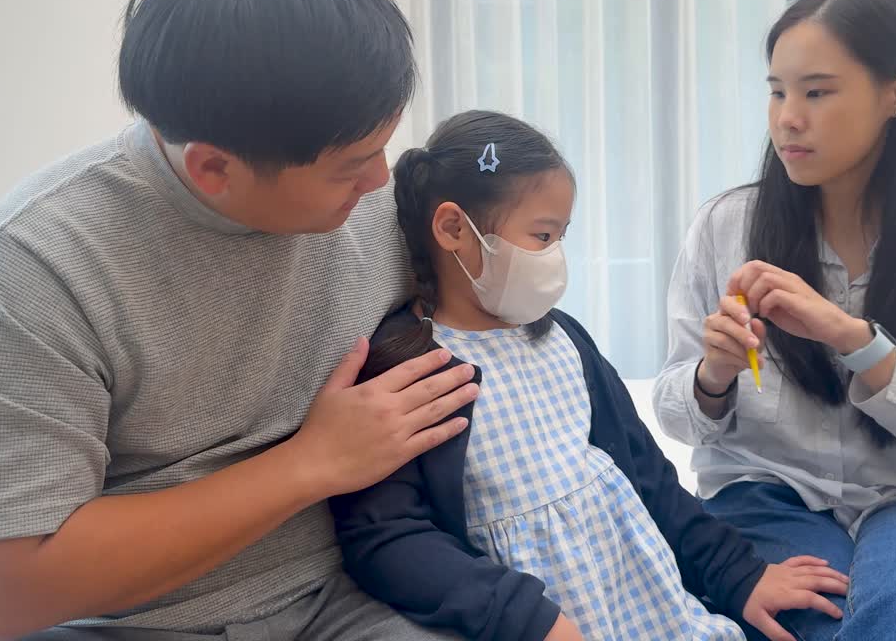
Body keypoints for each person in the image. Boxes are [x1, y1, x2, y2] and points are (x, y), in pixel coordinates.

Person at [0, 0, 478, 640]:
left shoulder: (373, 203)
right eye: (351, 165)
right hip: (123, 623)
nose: (380, 182)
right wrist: (309, 465)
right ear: (215, 168)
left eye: (383, 149)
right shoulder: (30, 271)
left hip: (352, 588)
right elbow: (2, 595)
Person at [330, 110, 849, 641]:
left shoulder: (565, 340)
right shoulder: (407, 367)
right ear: (453, 229)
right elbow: (386, 539)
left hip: (658, 615)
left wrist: (740, 575)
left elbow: (647, 475)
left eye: (561, 235)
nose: (556, 255)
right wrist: (526, 619)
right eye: (542, 234)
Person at [654, 0, 896, 641]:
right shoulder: (725, 226)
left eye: (817, 92)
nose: (787, 118)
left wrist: (861, 343)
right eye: (777, 91)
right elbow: (676, 413)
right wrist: (712, 375)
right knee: (803, 623)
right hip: (766, 494)